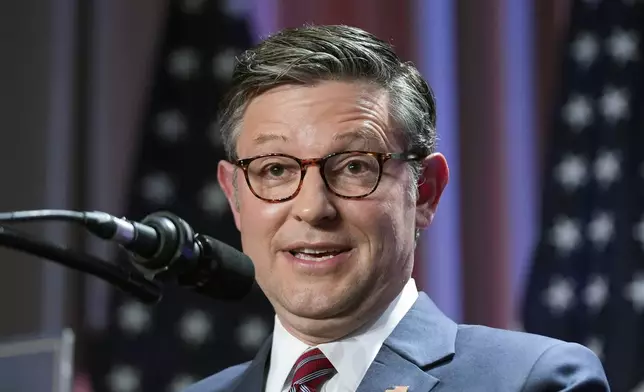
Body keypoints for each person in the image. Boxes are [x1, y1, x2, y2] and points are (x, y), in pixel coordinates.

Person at [184, 24, 610, 392]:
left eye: (354, 166)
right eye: (275, 169)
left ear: (424, 191)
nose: (313, 209)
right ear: (235, 195)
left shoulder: (532, 381)